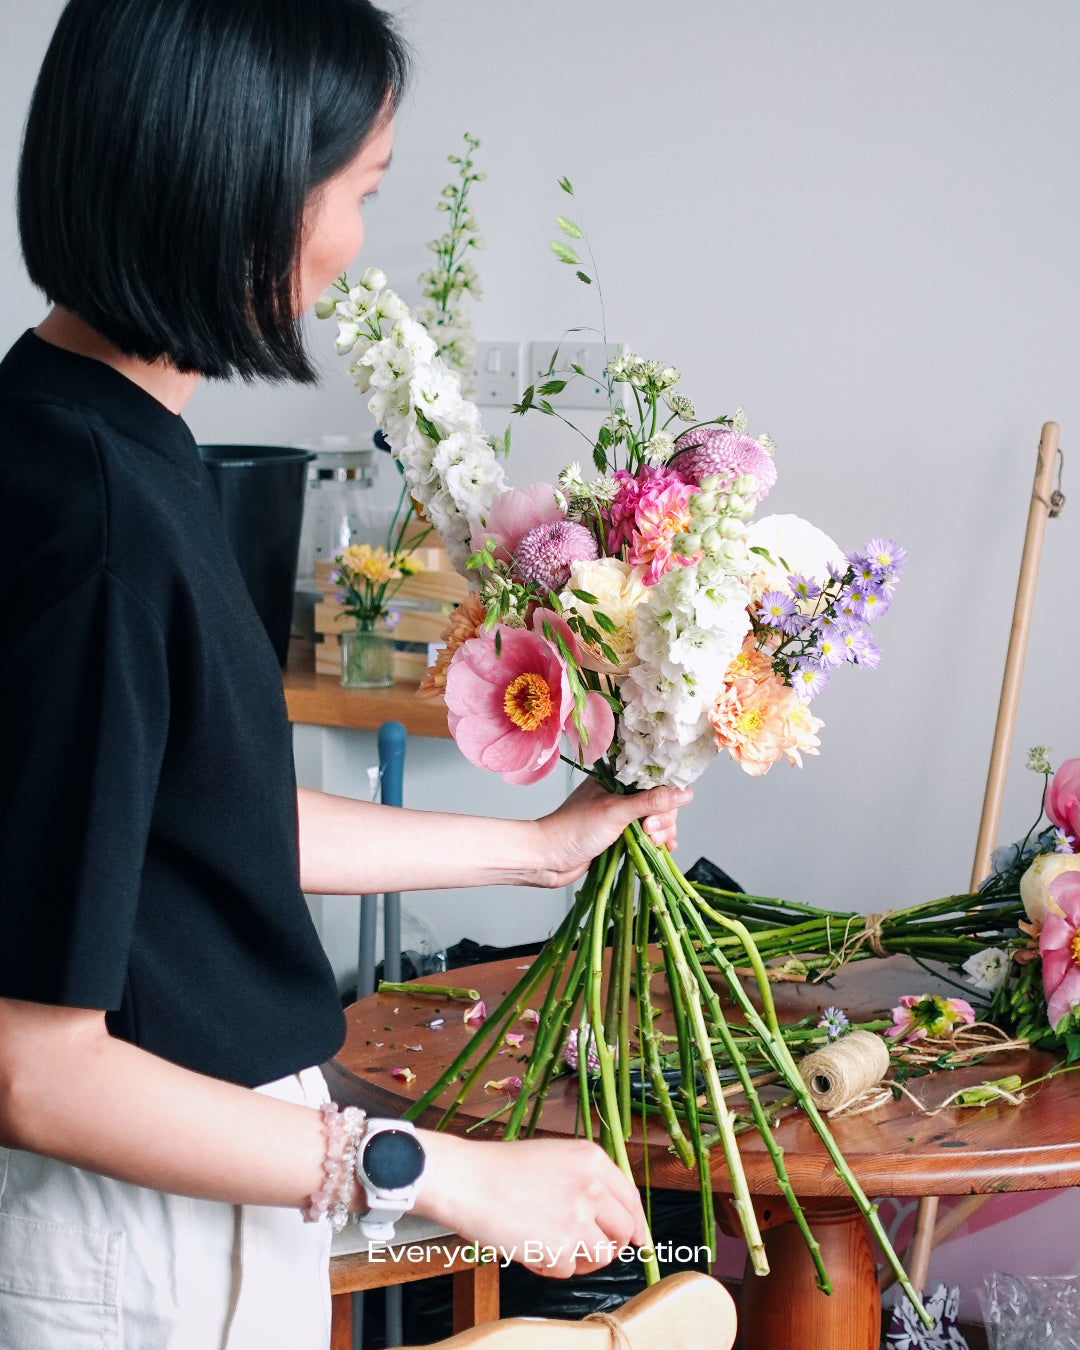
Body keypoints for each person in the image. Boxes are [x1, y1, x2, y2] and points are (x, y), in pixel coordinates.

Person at [0, 2, 690, 1346]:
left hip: (193, 1195)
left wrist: (537, 853)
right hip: (133, 1235)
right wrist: (439, 1167)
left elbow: (200, 826)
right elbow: (37, 1068)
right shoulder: (98, 529)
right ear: (242, 188)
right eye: (358, 188)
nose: (356, 237)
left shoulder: (91, 433)